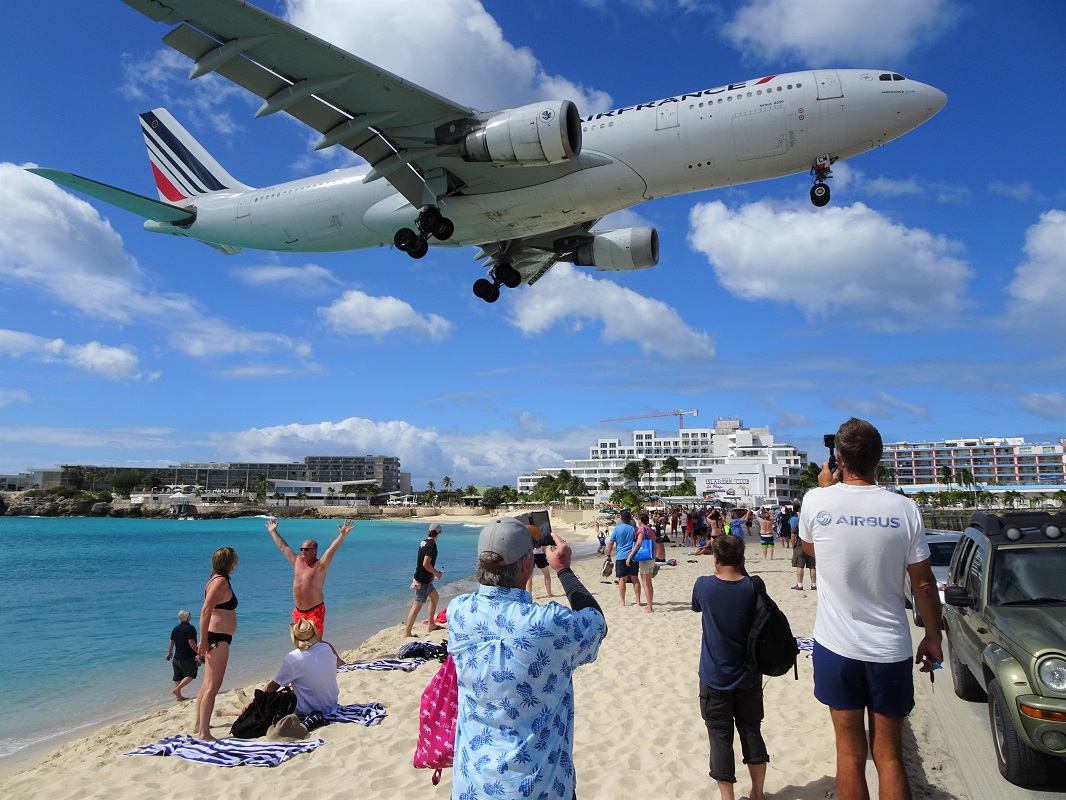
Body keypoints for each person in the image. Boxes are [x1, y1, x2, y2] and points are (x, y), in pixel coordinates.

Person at [799, 417, 943, 800]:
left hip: (836, 646)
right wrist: (932, 635)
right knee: (890, 756)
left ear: (839, 457)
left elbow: (811, 550)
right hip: (889, 647)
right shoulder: (905, 508)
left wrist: (828, 490)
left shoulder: (816, 500)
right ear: (878, 458)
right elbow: (924, 583)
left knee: (848, 753)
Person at [448, 517, 607, 800]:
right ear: (525, 564)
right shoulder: (548, 623)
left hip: (473, 783)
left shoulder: (458, 612)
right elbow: (595, 623)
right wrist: (564, 570)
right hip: (540, 786)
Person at [692, 535, 768, 800]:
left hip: (715, 676)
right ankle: (757, 793)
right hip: (749, 673)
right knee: (751, 730)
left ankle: (728, 798)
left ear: (716, 557)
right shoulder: (754, 586)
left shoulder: (704, 586)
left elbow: (697, 607)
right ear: (741, 558)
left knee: (720, 737)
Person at [266, 516, 352, 637]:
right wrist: (273, 531)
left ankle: (335, 657)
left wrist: (342, 535)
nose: (303, 551)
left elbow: (331, 550)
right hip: (299, 612)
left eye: (306, 549)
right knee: (301, 643)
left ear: (314, 551)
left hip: (315, 610)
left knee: (317, 643)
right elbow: (283, 547)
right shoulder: (297, 561)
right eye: (301, 549)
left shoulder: (320, 566)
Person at [254, 617, 340, 716]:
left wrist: (256, 698)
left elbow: (274, 686)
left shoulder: (294, 658)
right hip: (331, 704)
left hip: (308, 710)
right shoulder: (326, 648)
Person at [196, 546, 238, 740]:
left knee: (207, 685)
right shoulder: (220, 581)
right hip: (216, 638)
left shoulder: (217, 579)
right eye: (234, 558)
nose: (237, 561)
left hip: (218, 636)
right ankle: (204, 733)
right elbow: (205, 611)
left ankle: (199, 725)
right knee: (213, 686)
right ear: (229, 561)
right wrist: (203, 640)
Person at [404, 521, 443, 637]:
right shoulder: (432, 545)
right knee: (417, 606)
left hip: (424, 578)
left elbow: (422, 563)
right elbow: (426, 563)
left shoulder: (423, 542)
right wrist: (437, 574)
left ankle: (431, 624)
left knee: (435, 598)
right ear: (439, 533)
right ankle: (407, 632)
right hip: (423, 581)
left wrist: (431, 575)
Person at [606, 507, 642, 607]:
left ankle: (622, 601)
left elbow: (610, 543)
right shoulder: (634, 529)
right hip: (633, 556)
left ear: (621, 518)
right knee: (635, 579)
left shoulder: (617, 529)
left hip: (621, 556)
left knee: (622, 580)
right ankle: (638, 601)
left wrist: (608, 555)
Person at [626, 511, 657, 612]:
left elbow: (638, 543)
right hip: (651, 557)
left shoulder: (641, 530)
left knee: (645, 583)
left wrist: (630, 555)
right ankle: (650, 604)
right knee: (649, 583)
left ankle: (649, 607)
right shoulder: (651, 530)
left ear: (640, 520)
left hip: (644, 559)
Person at [166, 609, 198, 702]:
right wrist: (198, 652)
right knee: (192, 674)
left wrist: (169, 653)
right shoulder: (190, 628)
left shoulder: (176, 628)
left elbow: (172, 641)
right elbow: (191, 641)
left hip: (176, 658)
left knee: (178, 677)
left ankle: (178, 697)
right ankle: (177, 689)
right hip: (186, 657)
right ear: (188, 617)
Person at [525, 524, 555, 598]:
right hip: (540, 555)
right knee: (546, 574)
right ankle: (549, 593)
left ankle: (529, 594)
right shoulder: (540, 536)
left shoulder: (528, 536)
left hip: (532, 555)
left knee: (529, 577)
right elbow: (545, 549)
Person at [790, 511, 816, 590]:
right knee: (812, 566)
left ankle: (800, 584)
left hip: (801, 544)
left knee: (800, 565)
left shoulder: (798, 524)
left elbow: (793, 535)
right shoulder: (813, 524)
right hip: (811, 544)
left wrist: (793, 545)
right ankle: (814, 584)